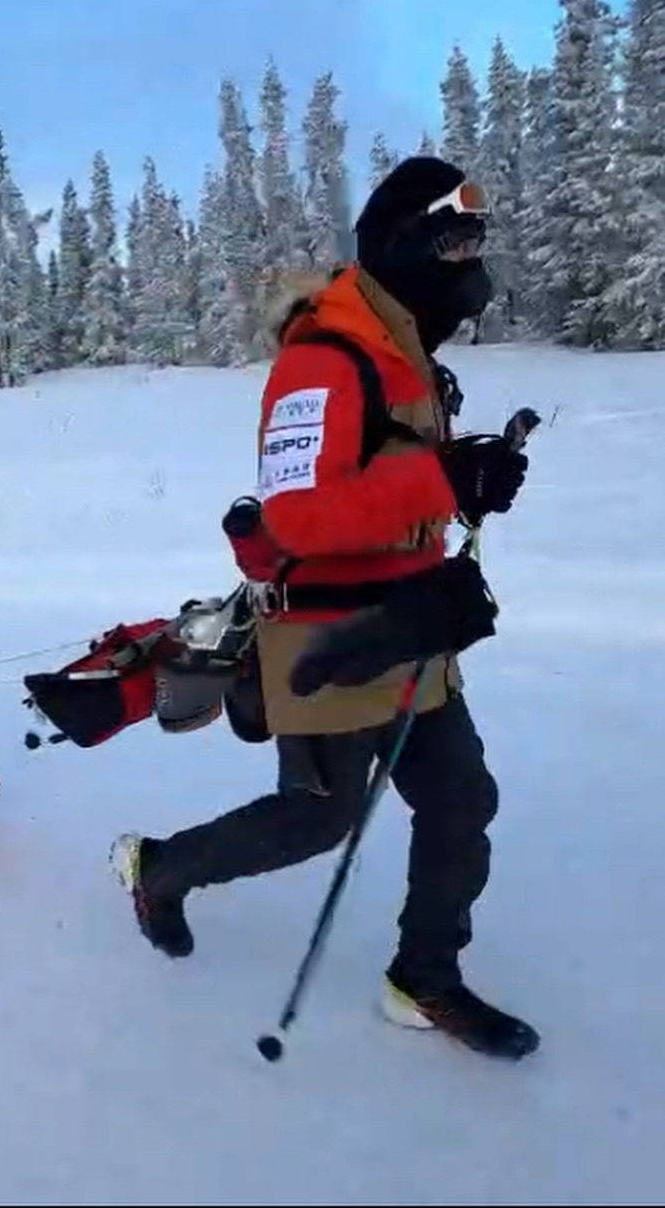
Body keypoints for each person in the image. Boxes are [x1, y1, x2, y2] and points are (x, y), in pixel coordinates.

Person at [111, 155, 539, 1061]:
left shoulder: (404, 349)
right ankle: (160, 870)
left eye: (476, 240)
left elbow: (395, 476)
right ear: (403, 243)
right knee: (317, 818)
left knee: (461, 797)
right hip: (332, 637)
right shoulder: (322, 360)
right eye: (452, 237)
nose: (469, 259)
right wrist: (440, 476)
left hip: (417, 620)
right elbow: (298, 512)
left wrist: (472, 477)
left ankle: (424, 975)